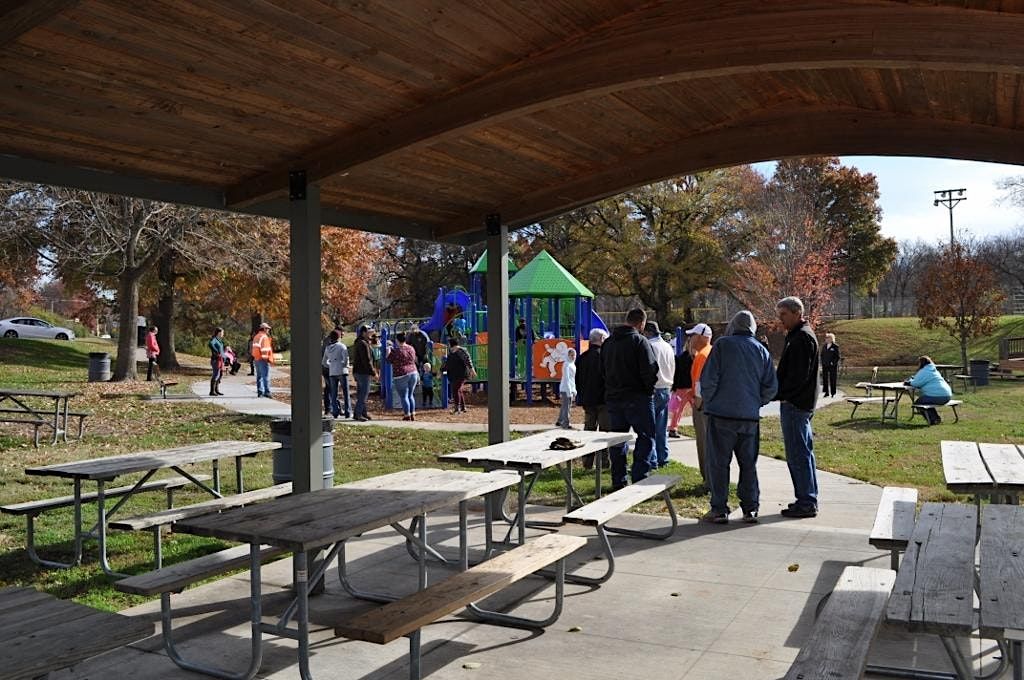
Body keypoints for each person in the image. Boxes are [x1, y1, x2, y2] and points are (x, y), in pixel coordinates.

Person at [699, 311, 778, 524]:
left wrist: (711, 400)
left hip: (721, 415)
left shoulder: (723, 345)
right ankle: (750, 508)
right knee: (748, 465)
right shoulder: (761, 350)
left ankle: (719, 509)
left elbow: (708, 380)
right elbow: (771, 387)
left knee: (719, 464)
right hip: (749, 417)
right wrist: (755, 402)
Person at [602, 308, 658, 491]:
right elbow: (650, 370)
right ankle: (640, 475)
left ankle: (618, 479)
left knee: (617, 440)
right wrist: (648, 390)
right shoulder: (640, 341)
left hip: (614, 397)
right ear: (641, 323)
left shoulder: (608, 343)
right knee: (645, 436)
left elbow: (603, 370)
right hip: (638, 397)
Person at [775, 296, 820, 519]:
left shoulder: (802, 338)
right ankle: (807, 497)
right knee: (803, 453)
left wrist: (779, 394)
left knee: (798, 454)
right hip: (799, 404)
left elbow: (796, 377)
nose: (780, 319)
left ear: (796, 313)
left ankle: (806, 501)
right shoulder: (797, 336)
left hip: (796, 405)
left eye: (783, 314)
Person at [576, 328, 610, 469]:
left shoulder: (582, 358)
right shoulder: (605, 357)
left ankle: (587, 462)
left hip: (588, 400)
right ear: (602, 339)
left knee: (588, 430)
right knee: (604, 432)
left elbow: (578, 379)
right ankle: (604, 462)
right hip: (603, 400)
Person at [645, 321, 676, 469]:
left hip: (654, 388)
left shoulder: (650, 346)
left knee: (649, 427)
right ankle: (663, 456)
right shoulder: (668, 346)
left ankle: (652, 459)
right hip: (666, 387)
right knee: (661, 427)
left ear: (647, 332)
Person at [687, 322, 714, 486]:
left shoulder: (702, 355)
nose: (691, 339)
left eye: (693, 336)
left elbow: (700, 384)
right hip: (710, 404)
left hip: (703, 406)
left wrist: (697, 404)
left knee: (704, 442)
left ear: (702, 337)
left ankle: (708, 480)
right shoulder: (709, 352)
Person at [906, 355, 952, 425]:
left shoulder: (924, 371)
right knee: (926, 402)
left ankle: (932, 420)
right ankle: (936, 418)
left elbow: (916, 383)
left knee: (918, 403)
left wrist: (909, 381)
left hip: (938, 396)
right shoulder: (933, 370)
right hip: (947, 395)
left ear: (921, 363)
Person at [388, 332, 420, 421]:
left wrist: (388, 352)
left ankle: (407, 415)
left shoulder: (396, 351)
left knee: (404, 396)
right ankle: (413, 413)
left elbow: (389, 360)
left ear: (397, 340)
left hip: (401, 374)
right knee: (410, 395)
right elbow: (414, 359)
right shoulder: (411, 348)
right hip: (413, 372)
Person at [667, 338, 694, 439]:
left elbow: (676, 373)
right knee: (698, 409)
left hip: (682, 387)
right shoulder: (695, 357)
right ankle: (702, 427)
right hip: (692, 387)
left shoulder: (680, 358)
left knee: (678, 410)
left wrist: (674, 387)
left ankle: (673, 428)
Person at [322, 330, 351, 419]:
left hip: (332, 372)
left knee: (334, 393)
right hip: (342, 371)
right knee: (346, 392)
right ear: (339, 337)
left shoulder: (328, 348)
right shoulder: (342, 346)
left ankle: (335, 411)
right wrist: (345, 365)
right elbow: (345, 358)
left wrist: (330, 365)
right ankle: (347, 411)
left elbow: (324, 362)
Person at [352, 325, 376, 421]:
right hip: (363, 372)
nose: (371, 334)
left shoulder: (361, 342)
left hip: (359, 372)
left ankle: (363, 412)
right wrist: (373, 372)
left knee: (362, 393)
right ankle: (357, 414)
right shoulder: (362, 344)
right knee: (363, 394)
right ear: (364, 333)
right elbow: (366, 360)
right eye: (369, 332)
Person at [446, 336, 475, 414]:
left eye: (449, 344)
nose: (448, 345)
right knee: (458, 390)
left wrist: (472, 370)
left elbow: (468, 360)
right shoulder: (451, 352)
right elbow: (448, 363)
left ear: (452, 344)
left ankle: (456, 408)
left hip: (462, 374)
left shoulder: (461, 351)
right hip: (454, 374)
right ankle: (463, 407)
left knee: (455, 390)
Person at [556, 348, 578, 428]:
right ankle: (566, 423)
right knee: (567, 406)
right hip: (565, 389)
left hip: (570, 388)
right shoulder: (567, 364)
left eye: (574, 355)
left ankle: (559, 420)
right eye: (571, 355)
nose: (573, 357)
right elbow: (567, 378)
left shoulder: (572, 364)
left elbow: (573, 379)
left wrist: (574, 389)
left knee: (564, 406)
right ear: (567, 355)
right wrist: (569, 391)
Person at [251, 322, 274, 398]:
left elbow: (255, 348)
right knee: (266, 376)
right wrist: (267, 359)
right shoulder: (264, 337)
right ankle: (267, 392)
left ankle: (260, 392)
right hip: (263, 359)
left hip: (257, 358)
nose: (268, 330)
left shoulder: (256, 336)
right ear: (264, 329)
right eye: (267, 328)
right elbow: (264, 349)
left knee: (259, 376)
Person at [821, 332, 841, 397]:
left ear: (831, 339)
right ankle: (826, 392)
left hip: (832, 366)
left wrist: (833, 362)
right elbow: (822, 355)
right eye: (826, 338)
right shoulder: (824, 346)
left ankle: (833, 393)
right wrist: (822, 362)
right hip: (825, 365)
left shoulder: (835, 346)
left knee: (832, 379)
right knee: (825, 379)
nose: (826, 339)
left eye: (828, 338)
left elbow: (837, 356)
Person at [208, 327, 226, 396]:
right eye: (222, 332)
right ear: (219, 333)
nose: (223, 334)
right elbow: (210, 344)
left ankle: (216, 390)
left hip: (220, 359)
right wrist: (216, 351)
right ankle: (212, 391)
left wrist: (225, 357)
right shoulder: (214, 339)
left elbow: (221, 350)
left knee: (220, 374)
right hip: (215, 360)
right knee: (216, 374)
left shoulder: (219, 340)